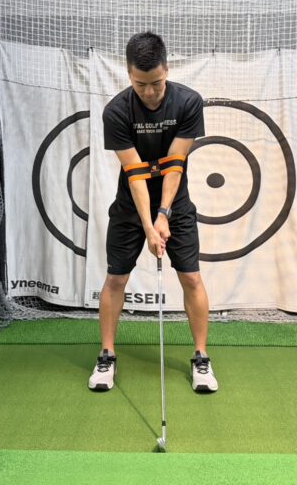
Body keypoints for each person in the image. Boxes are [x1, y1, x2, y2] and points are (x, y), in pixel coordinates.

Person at [88, 31, 218, 393]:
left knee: (191, 277)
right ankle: (107, 355)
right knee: (116, 279)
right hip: (130, 206)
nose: (149, 92)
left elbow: (175, 165)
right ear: (129, 74)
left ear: (167, 69)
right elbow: (135, 174)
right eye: (140, 84)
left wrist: (164, 215)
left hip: (177, 204)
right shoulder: (116, 111)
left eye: (156, 83)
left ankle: (201, 357)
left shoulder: (188, 103)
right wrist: (148, 224)